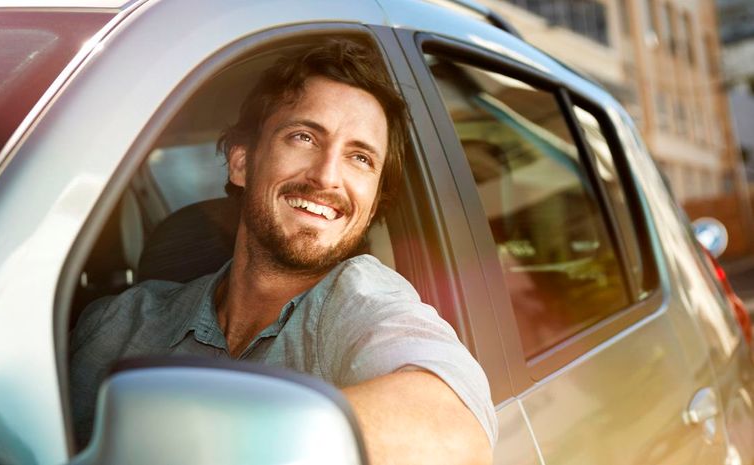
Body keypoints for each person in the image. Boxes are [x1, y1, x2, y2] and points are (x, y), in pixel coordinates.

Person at [69, 37, 497, 465]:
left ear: (372, 207)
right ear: (241, 162)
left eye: (360, 158)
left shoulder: (363, 302)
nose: (327, 176)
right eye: (304, 136)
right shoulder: (120, 322)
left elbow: (455, 431)